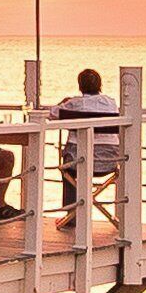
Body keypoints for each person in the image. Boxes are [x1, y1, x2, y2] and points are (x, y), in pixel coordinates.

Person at [55, 65, 119, 211]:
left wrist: (63, 102)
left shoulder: (75, 104)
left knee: (67, 167)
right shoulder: (111, 103)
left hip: (78, 163)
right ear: (100, 85)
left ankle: (71, 213)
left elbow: (52, 113)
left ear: (80, 86)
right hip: (109, 162)